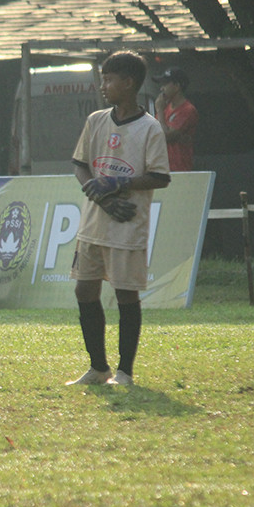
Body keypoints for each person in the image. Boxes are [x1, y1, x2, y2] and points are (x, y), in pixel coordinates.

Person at [67, 51, 171, 387]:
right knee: (85, 290)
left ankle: (125, 372)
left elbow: (160, 177)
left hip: (128, 225)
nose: (103, 85)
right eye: (102, 78)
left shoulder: (149, 128)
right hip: (94, 223)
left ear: (129, 83)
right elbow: (81, 165)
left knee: (126, 294)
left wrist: (120, 183)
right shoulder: (96, 120)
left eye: (109, 79)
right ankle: (99, 368)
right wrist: (101, 196)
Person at [153, 66, 199, 171]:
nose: (161, 88)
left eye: (165, 84)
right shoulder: (166, 108)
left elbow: (165, 136)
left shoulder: (187, 110)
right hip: (163, 169)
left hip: (179, 169)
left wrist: (159, 110)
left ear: (177, 86)